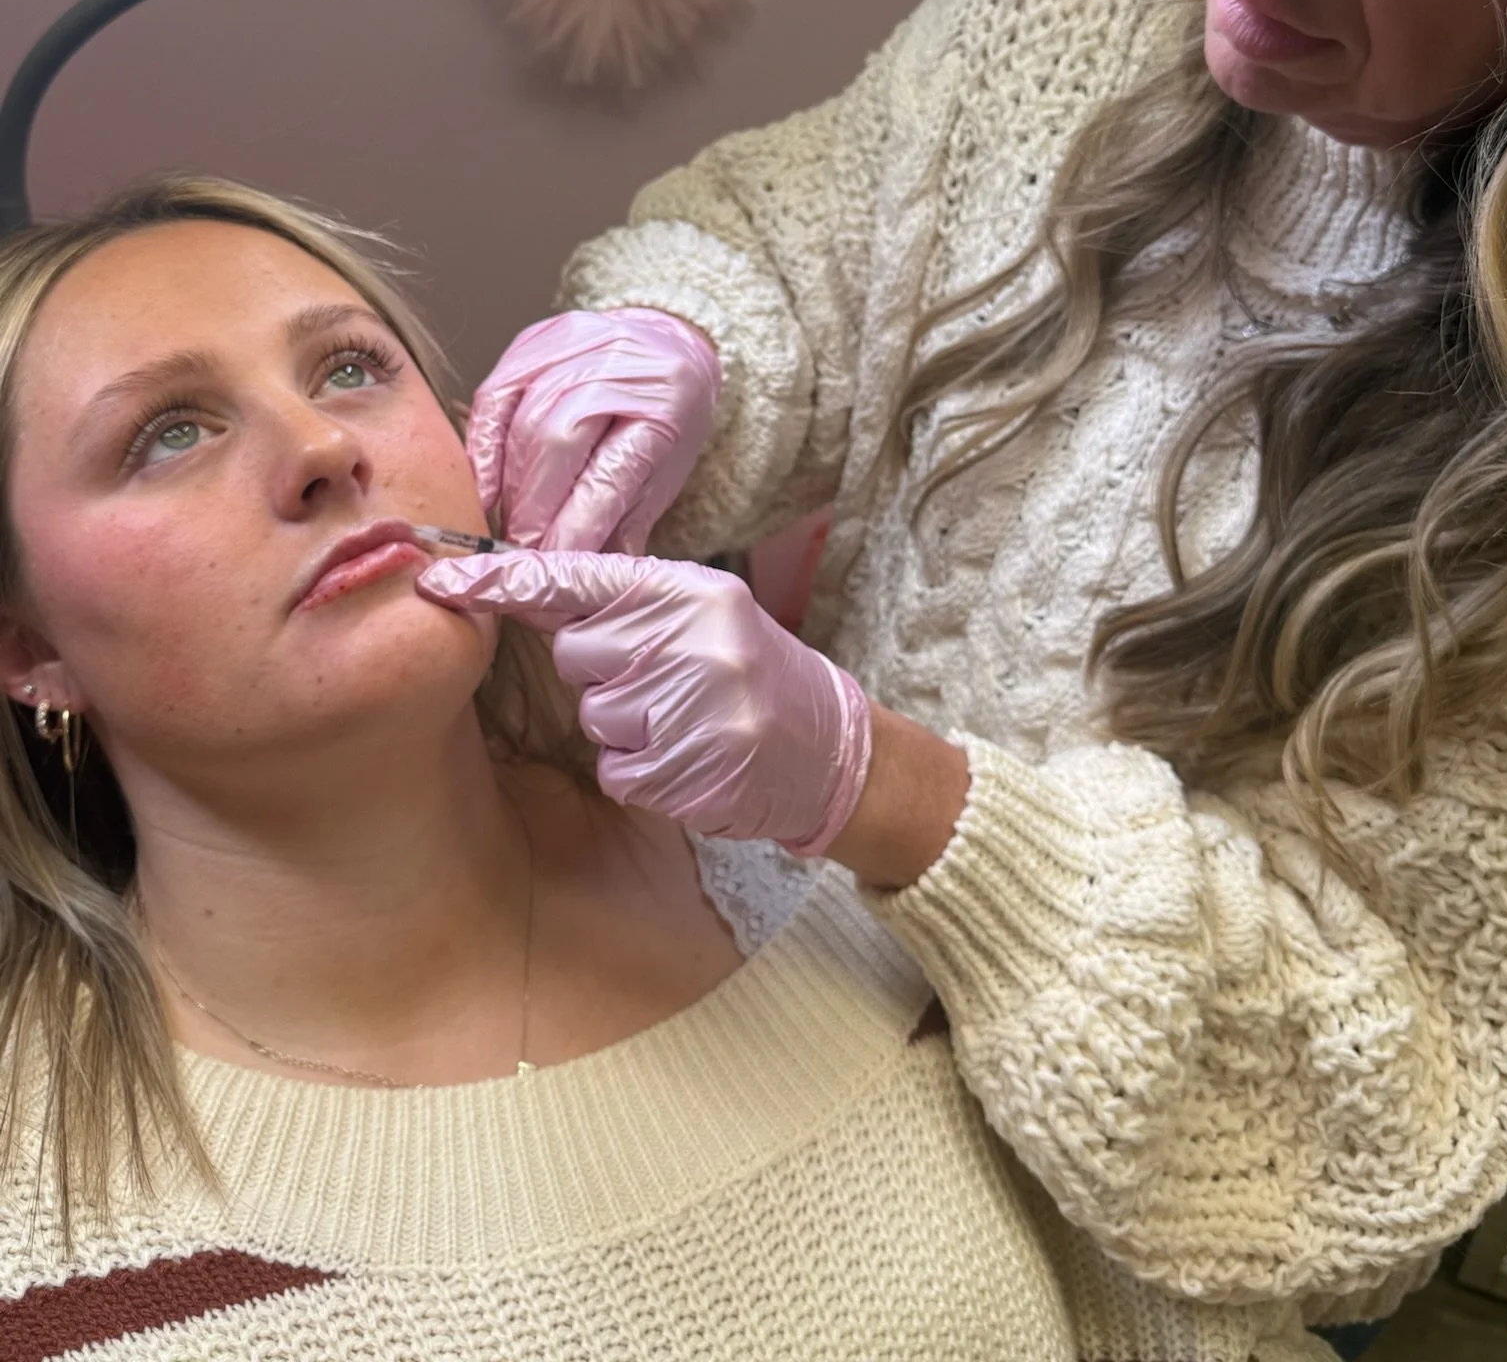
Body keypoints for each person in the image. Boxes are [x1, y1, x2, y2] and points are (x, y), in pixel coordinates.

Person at [451, 0, 1507, 1360]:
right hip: (758, 1007)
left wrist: (905, 798)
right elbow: (791, 239)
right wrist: (682, 347)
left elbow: (1380, 1128)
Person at [0, 174, 1085, 1362]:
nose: (321, 447)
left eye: (350, 367)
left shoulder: (846, 880)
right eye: (168, 433)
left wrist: (894, 795)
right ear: (32, 647)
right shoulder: (37, 1241)